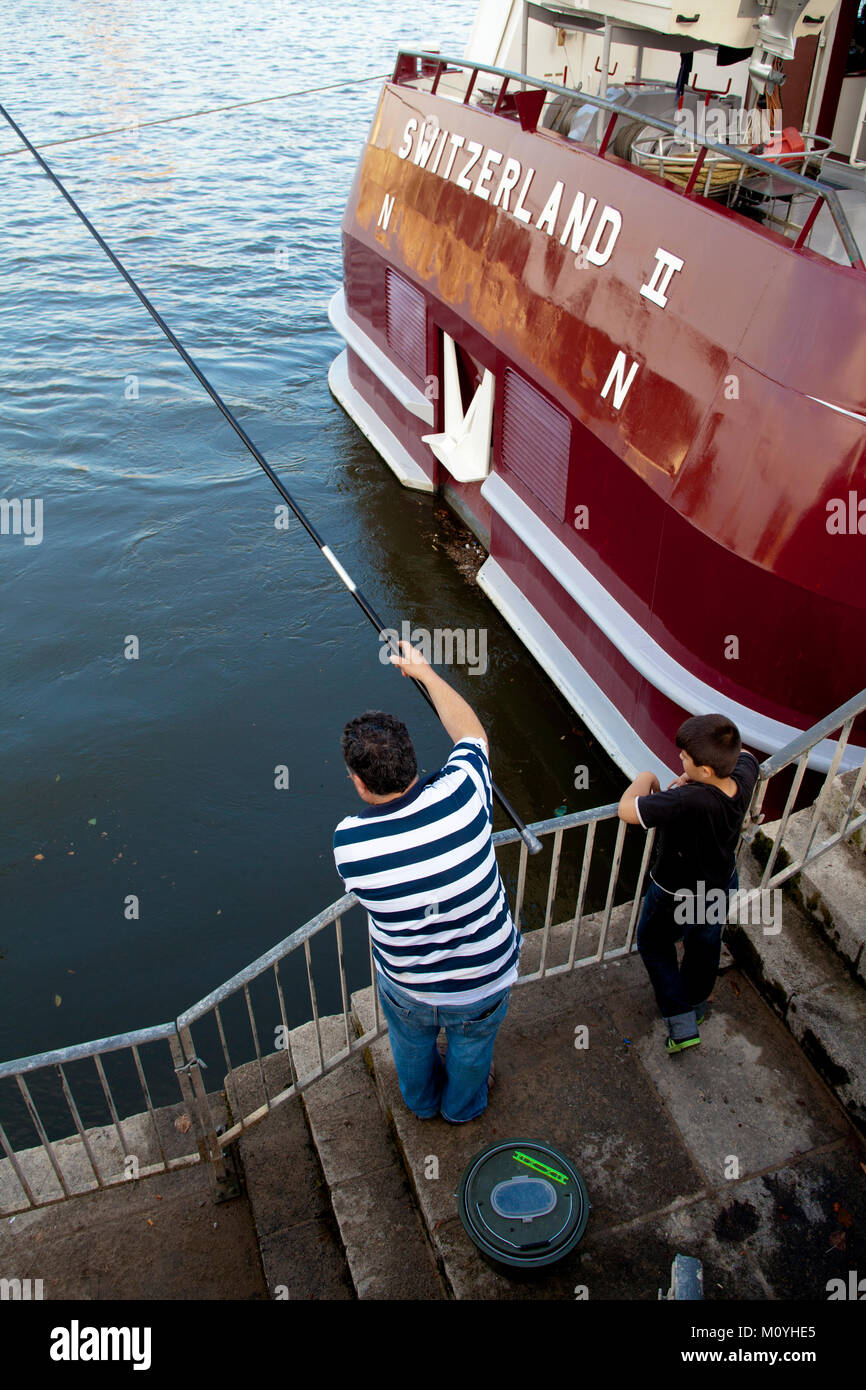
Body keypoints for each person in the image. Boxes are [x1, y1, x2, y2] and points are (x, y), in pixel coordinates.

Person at [333, 640, 521, 1123]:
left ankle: (420, 1104)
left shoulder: (350, 844)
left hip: (410, 981)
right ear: (412, 756)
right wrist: (425, 673)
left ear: (358, 780)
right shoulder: (462, 792)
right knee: (473, 1049)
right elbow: (472, 734)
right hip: (485, 974)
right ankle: (462, 1109)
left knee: (411, 1046)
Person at [617, 714, 760, 1053]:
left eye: (684, 758)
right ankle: (697, 1002)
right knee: (705, 939)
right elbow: (749, 757)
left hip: (674, 893)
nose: (679, 759)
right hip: (720, 883)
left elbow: (627, 810)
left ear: (706, 770)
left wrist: (647, 776)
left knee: (653, 943)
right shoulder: (740, 779)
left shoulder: (688, 800)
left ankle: (681, 1024)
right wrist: (691, 774)